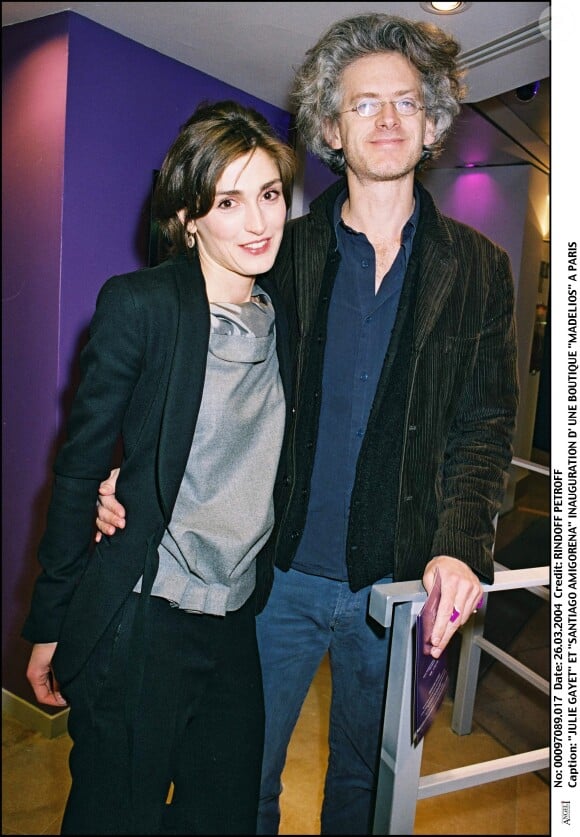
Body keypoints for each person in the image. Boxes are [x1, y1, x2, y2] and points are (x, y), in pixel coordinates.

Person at [96, 12, 519, 836]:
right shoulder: (279, 251)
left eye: (405, 102)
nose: (388, 120)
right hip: (274, 570)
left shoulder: (477, 268)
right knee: (238, 778)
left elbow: (482, 422)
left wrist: (461, 544)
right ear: (331, 125)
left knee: (364, 790)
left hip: (394, 584)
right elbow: (201, 372)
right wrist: (135, 471)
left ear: (432, 122)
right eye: (364, 105)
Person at [22, 100, 296, 835]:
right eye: (229, 201)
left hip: (235, 618)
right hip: (144, 615)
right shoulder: (142, 306)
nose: (257, 221)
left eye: (269, 194)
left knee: (225, 813)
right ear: (188, 217)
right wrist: (51, 623)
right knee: (118, 817)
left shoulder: (285, 319)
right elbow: (79, 470)